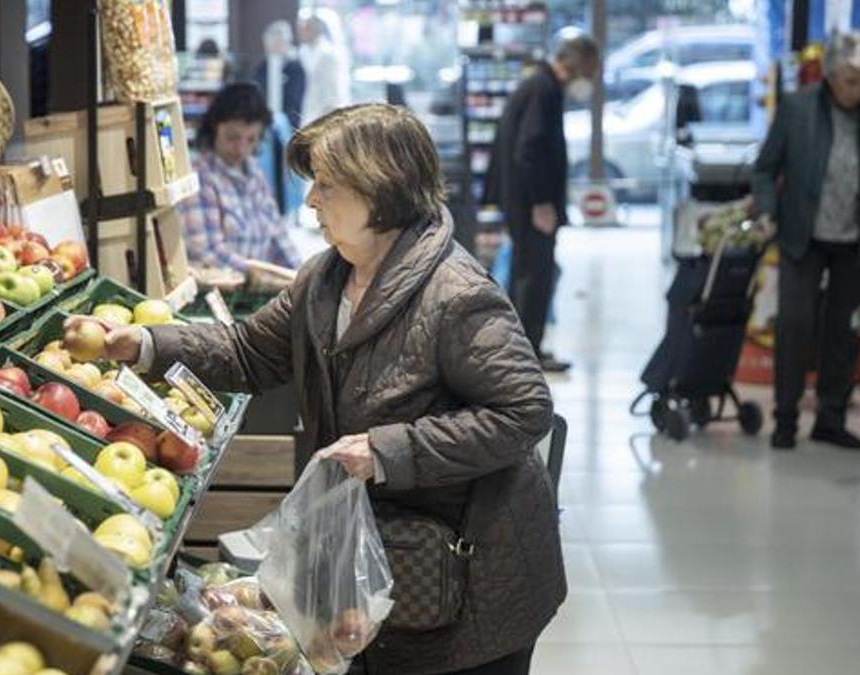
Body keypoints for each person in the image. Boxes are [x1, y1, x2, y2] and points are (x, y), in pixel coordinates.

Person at [87, 104, 565, 675]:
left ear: (380, 190)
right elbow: (246, 351)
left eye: (327, 185)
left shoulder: (456, 295)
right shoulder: (324, 279)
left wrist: (387, 451)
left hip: (477, 579)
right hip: (386, 567)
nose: (312, 200)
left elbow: (524, 411)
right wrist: (145, 344)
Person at [752, 32, 860, 450]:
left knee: (844, 332)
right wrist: (768, 210)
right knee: (794, 325)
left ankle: (831, 417)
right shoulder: (797, 108)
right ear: (830, 75)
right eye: (850, 81)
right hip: (800, 237)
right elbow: (764, 169)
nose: (857, 90)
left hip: (856, 241)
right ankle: (786, 417)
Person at [486, 35, 599, 373]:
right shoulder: (543, 89)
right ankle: (526, 355)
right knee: (534, 278)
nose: (589, 80)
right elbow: (530, 149)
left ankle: (525, 352)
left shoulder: (538, 84)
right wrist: (541, 203)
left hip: (522, 200)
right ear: (575, 64)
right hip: (531, 203)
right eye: (589, 71)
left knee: (529, 274)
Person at [179, 81, 301, 273]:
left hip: (260, 289)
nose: (241, 148)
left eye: (251, 139)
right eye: (232, 137)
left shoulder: (254, 173)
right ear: (214, 128)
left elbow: (277, 236)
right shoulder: (200, 178)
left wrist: (302, 278)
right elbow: (206, 251)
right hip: (221, 292)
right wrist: (262, 275)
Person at [297, 8, 352, 124]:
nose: (302, 32)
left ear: (316, 29)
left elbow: (333, 88)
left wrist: (329, 112)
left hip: (323, 113)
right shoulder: (301, 53)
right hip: (305, 112)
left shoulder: (328, 55)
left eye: (307, 28)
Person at [254, 20, 306, 131]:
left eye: (279, 40)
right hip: (264, 121)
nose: (275, 44)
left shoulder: (295, 67)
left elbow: (296, 99)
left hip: (289, 122)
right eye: (272, 40)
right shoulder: (262, 67)